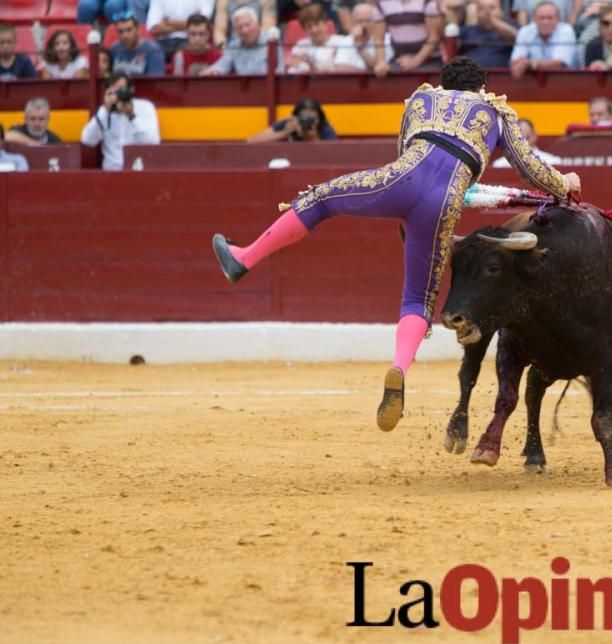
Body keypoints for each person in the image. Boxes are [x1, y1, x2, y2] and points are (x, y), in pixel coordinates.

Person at [211, 57, 581, 433]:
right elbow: (529, 167)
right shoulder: (496, 112)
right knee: (418, 299)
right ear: (482, 87)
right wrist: (564, 183)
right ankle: (399, 367)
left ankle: (244, 257)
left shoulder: (421, 101)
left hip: (400, 179)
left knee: (320, 199)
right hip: (445, 200)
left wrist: (404, 208)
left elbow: (404, 150)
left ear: (442, 82)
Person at [81, 73, 161, 171]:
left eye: (121, 90)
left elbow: (153, 142)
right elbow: (87, 140)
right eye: (113, 92)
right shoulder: (104, 112)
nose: (117, 95)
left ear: (131, 90)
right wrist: (105, 111)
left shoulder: (145, 107)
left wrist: (132, 116)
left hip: (138, 170)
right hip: (111, 172)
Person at [203, 6, 284, 74]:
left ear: (257, 25)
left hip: (267, 89)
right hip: (243, 90)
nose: (244, 30)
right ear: (235, 31)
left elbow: (281, 70)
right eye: (239, 27)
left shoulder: (272, 42)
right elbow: (221, 66)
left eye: (247, 25)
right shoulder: (234, 47)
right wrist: (212, 71)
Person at [370, 0, 443, 75]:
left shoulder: (428, 2)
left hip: (430, 61)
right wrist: (381, 62)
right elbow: (378, 39)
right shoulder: (380, 4)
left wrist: (415, 61)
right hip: (399, 60)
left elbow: (434, 36)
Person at [509, 1, 578, 77]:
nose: (545, 22)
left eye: (550, 18)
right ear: (534, 19)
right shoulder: (525, 31)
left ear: (558, 19)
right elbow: (515, 64)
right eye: (541, 18)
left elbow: (559, 66)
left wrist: (530, 64)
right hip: (533, 83)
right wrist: (520, 66)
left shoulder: (566, 31)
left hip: (565, 82)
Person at [331, 2, 393, 72]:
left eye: (368, 21)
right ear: (353, 23)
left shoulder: (386, 40)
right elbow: (341, 69)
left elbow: (380, 68)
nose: (364, 25)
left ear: (375, 22)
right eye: (360, 21)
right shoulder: (346, 41)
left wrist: (360, 48)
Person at [147, 0, 216, 59]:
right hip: (163, 42)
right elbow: (154, 29)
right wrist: (190, 23)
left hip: (191, 40)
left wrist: (167, 22)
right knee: (150, 52)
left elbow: (203, 23)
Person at [459, 0, 518, 69]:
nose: (487, 12)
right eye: (481, 8)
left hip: (501, 77)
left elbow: (516, 36)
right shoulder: (467, 30)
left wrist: (493, 21)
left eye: (492, 8)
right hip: (470, 76)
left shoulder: (512, 26)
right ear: (476, 13)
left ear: (501, 11)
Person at [248, 97, 336, 142]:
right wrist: (284, 133)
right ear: (296, 117)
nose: (307, 122)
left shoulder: (325, 128)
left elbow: (333, 154)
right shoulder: (289, 124)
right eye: (304, 119)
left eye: (312, 119)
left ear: (319, 118)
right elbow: (252, 141)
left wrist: (313, 138)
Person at [110, 11, 167, 76]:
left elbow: (155, 83)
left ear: (138, 30)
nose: (124, 35)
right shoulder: (115, 49)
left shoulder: (153, 50)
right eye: (121, 32)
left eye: (129, 30)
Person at [288, 3, 339, 73]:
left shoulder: (339, 43)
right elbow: (291, 71)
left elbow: (342, 70)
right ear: (305, 29)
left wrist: (318, 70)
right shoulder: (301, 46)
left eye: (317, 24)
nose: (314, 30)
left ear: (325, 23)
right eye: (309, 26)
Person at [491, 118, 562, 167]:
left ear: (534, 136)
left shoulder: (552, 162)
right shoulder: (500, 165)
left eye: (527, 138)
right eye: (520, 140)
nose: (524, 144)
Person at [583, 4, 612, 71]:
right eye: (606, 23)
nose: (611, 28)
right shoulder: (592, 46)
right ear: (599, 27)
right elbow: (588, 77)